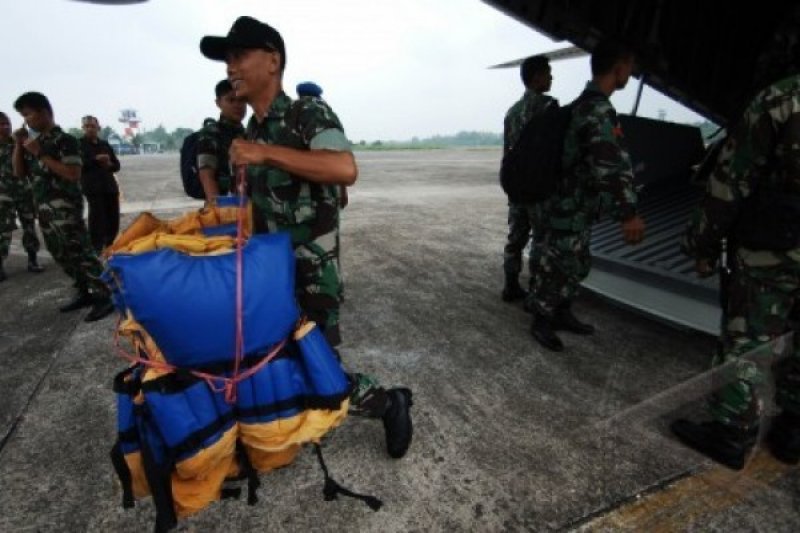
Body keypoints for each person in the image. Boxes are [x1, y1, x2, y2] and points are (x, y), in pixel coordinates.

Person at [200, 16, 412, 459]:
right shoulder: (250, 132)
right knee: (277, 361)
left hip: (313, 272)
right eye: (227, 61)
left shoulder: (306, 113)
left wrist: (265, 154)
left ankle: (389, 403)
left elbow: (344, 169)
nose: (229, 68)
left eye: (238, 56)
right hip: (269, 275)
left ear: (273, 60)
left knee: (322, 369)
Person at [672, 17, 800, 469]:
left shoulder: (782, 100)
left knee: (748, 338)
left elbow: (731, 182)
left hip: (774, 247)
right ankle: (793, 429)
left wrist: (701, 245)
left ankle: (732, 431)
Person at [526, 41, 646, 352]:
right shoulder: (597, 110)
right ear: (618, 67)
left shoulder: (584, 104)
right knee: (559, 263)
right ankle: (541, 318)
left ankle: (561, 312)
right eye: (629, 68)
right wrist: (628, 212)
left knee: (575, 262)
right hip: (569, 205)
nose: (630, 74)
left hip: (575, 204)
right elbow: (610, 164)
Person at [12, 92, 114, 322]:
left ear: (45, 112)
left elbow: (72, 174)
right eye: (23, 116)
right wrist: (19, 146)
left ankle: (104, 294)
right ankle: (84, 290)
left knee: (80, 251)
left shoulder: (65, 141)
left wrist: (41, 154)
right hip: (44, 209)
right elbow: (19, 173)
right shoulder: (33, 143)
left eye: (28, 114)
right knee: (60, 252)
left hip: (65, 208)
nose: (26, 120)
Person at [501, 55, 557, 302]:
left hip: (517, 187)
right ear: (536, 78)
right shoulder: (548, 107)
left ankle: (510, 286)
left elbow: (508, 153)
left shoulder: (512, 112)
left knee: (515, 238)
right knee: (541, 242)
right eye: (548, 73)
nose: (551, 78)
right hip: (539, 188)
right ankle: (536, 291)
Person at [0, 111, 44, 281]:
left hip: (23, 191)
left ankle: (32, 260)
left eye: (7, 123)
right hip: (3, 195)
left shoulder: (19, 142)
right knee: (3, 230)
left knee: (29, 226)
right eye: (1, 124)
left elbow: (33, 163)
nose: (5, 127)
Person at [196, 79, 246, 202]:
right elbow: (207, 176)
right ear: (218, 103)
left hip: (245, 206)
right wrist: (219, 211)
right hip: (223, 207)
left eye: (241, 100)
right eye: (231, 100)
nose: (237, 105)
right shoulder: (210, 134)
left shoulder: (247, 134)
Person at [80, 115, 121, 252]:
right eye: (86, 126)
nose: (90, 129)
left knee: (113, 218)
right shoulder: (79, 145)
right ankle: (96, 247)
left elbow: (116, 166)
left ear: (98, 128)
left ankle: (110, 244)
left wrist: (109, 164)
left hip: (109, 186)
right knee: (97, 218)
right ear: (83, 128)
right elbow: (79, 165)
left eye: (92, 126)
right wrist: (95, 160)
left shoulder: (105, 145)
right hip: (92, 188)